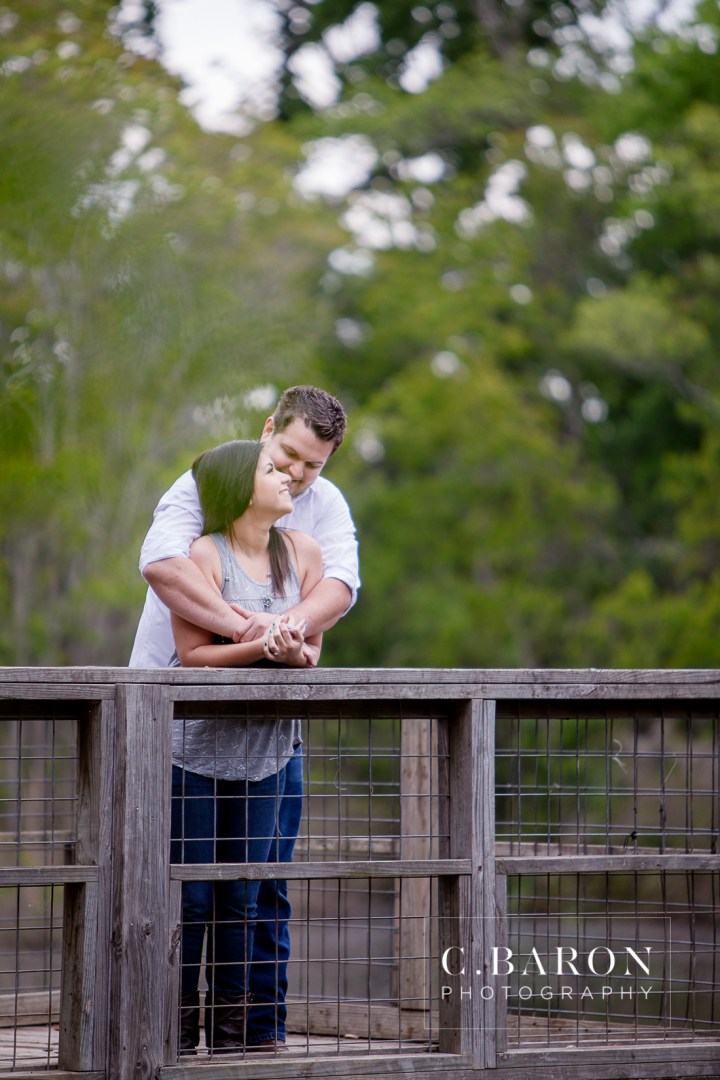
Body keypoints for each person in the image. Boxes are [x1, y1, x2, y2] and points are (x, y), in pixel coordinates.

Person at [129, 387, 359, 1053]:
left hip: (269, 732)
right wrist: (257, 631)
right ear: (268, 431)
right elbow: (162, 566)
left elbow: (339, 591)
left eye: (312, 465)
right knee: (181, 890)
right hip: (175, 725)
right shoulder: (207, 485)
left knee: (260, 888)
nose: (296, 473)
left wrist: (286, 642)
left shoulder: (319, 516)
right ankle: (166, 1035)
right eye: (287, 455)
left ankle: (258, 1037)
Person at [170, 438, 323, 1054]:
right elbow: (192, 655)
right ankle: (175, 1035)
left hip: (268, 754)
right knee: (194, 893)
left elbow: (312, 655)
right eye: (271, 469)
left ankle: (234, 1043)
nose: (287, 478)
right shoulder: (202, 555)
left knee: (246, 893)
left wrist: (292, 653)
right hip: (196, 756)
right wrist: (262, 647)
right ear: (239, 487)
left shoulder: (304, 553)